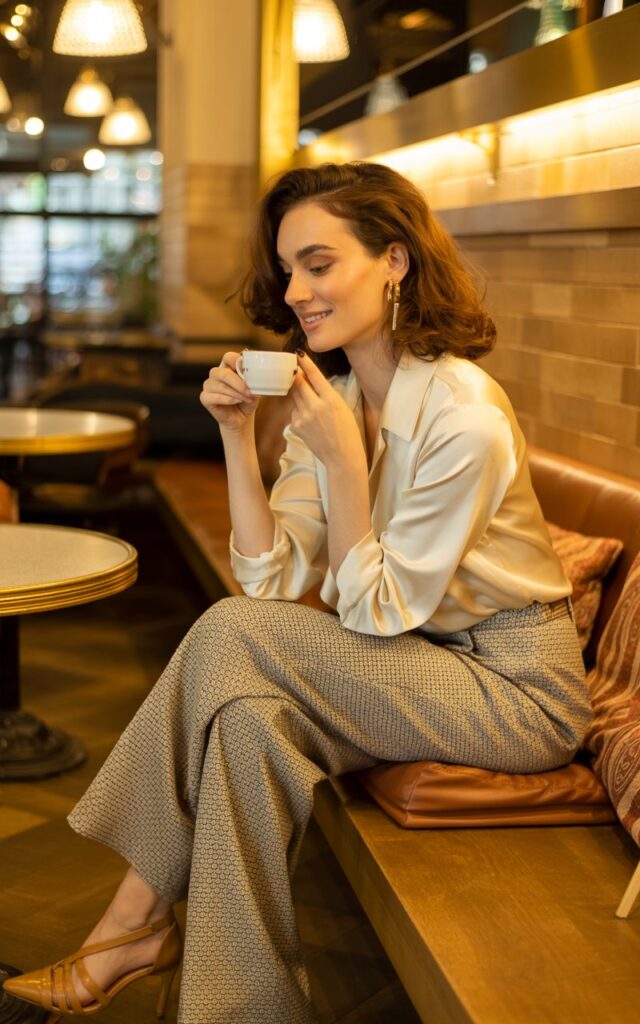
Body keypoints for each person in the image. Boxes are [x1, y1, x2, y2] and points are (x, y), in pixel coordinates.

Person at [3, 162, 592, 1024]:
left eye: (319, 264)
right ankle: (244, 1009)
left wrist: (347, 467)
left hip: (515, 691)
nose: (296, 292)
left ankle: (134, 918)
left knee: (230, 634)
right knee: (249, 724)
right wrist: (236, 436)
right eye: (288, 270)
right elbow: (270, 580)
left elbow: (374, 612)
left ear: (395, 261)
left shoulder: (464, 416)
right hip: (418, 665)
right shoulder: (338, 396)